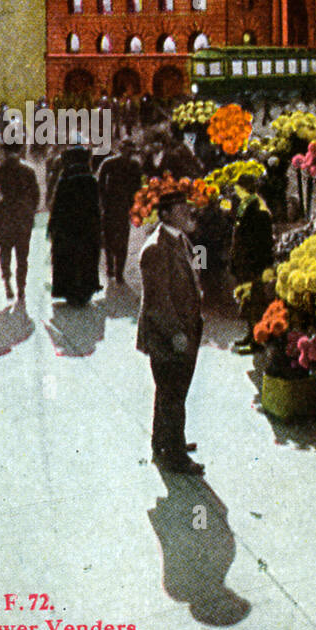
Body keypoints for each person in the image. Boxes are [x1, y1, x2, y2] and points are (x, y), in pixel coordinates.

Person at [138, 190, 204, 474]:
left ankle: (164, 440)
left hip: (184, 331)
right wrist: (176, 334)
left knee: (170, 392)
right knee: (173, 394)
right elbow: (158, 301)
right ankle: (175, 456)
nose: (188, 212)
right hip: (167, 336)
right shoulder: (155, 248)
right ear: (165, 214)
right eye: (181, 208)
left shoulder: (180, 240)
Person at [0, 140, 41, 303]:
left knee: (5, 251)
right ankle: (21, 287)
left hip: (4, 217)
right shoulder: (28, 170)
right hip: (23, 218)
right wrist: (31, 211)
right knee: (22, 256)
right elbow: (36, 194)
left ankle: (7, 282)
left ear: (4, 152)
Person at [48, 146, 103, 306]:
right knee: (87, 256)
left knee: (68, 256)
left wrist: (53, 226)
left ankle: (68, 289)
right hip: (88, 226)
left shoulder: (65, 178)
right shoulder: (91, 179)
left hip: (67, 226)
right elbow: (96, 206)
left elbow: (57, 205)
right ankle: (86, 288)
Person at [229, 174, 274, 353]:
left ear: (244, 188)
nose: (235, 190)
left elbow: (262, 242)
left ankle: (257, 341)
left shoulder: (259, 209)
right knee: (247, 301)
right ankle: (250, 334)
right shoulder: (246, 204)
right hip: (244, 262)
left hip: (253, 264)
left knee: (255, 302)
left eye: (237, 187)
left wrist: (255, 264)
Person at [96, 142, 144, 282]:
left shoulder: (113, 163)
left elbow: (137, 188)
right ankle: (114, 270)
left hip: (117, 207)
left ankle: (115, 271)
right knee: (116, 238)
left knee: (116, 238)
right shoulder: (112, 164)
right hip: (114, 206)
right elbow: (100, 184)